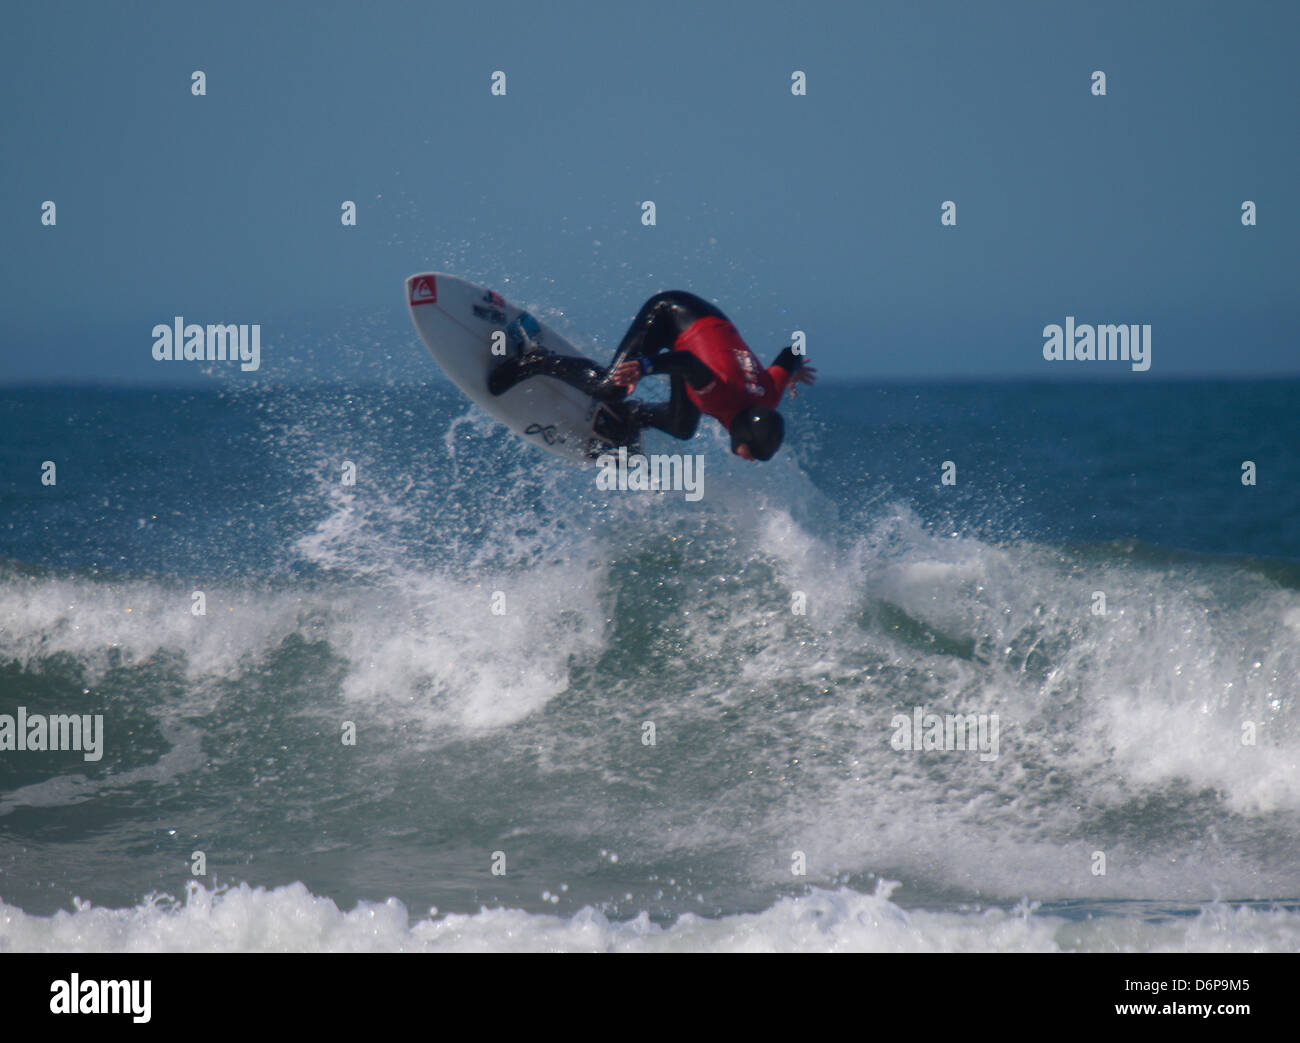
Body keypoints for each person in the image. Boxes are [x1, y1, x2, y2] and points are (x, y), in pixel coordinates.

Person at [487, 290, 816, 460]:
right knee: (609, 386)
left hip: (702, 336)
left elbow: (792, 352)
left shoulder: (770, 394)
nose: (750, 460)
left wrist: (793, 371)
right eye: (753, 453)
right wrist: (643, 367)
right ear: (743, 434)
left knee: (682, 427)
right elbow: (686, 362)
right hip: (672, 314)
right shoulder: (722, 393)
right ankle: (535, 360)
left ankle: (632, 416)